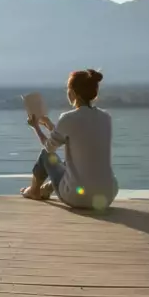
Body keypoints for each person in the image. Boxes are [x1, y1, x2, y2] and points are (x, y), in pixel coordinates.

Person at [23, 69, 118, 212]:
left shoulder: (68, 118)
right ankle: (46, 189)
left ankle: (34, 191)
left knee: (46, 156)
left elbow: (50, 147)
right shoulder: (106, 118)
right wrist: (49, 125)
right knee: (74, 161)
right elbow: (75, 138)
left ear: (72, 93)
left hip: (79, 196)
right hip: (107, 195)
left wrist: (36, 127)